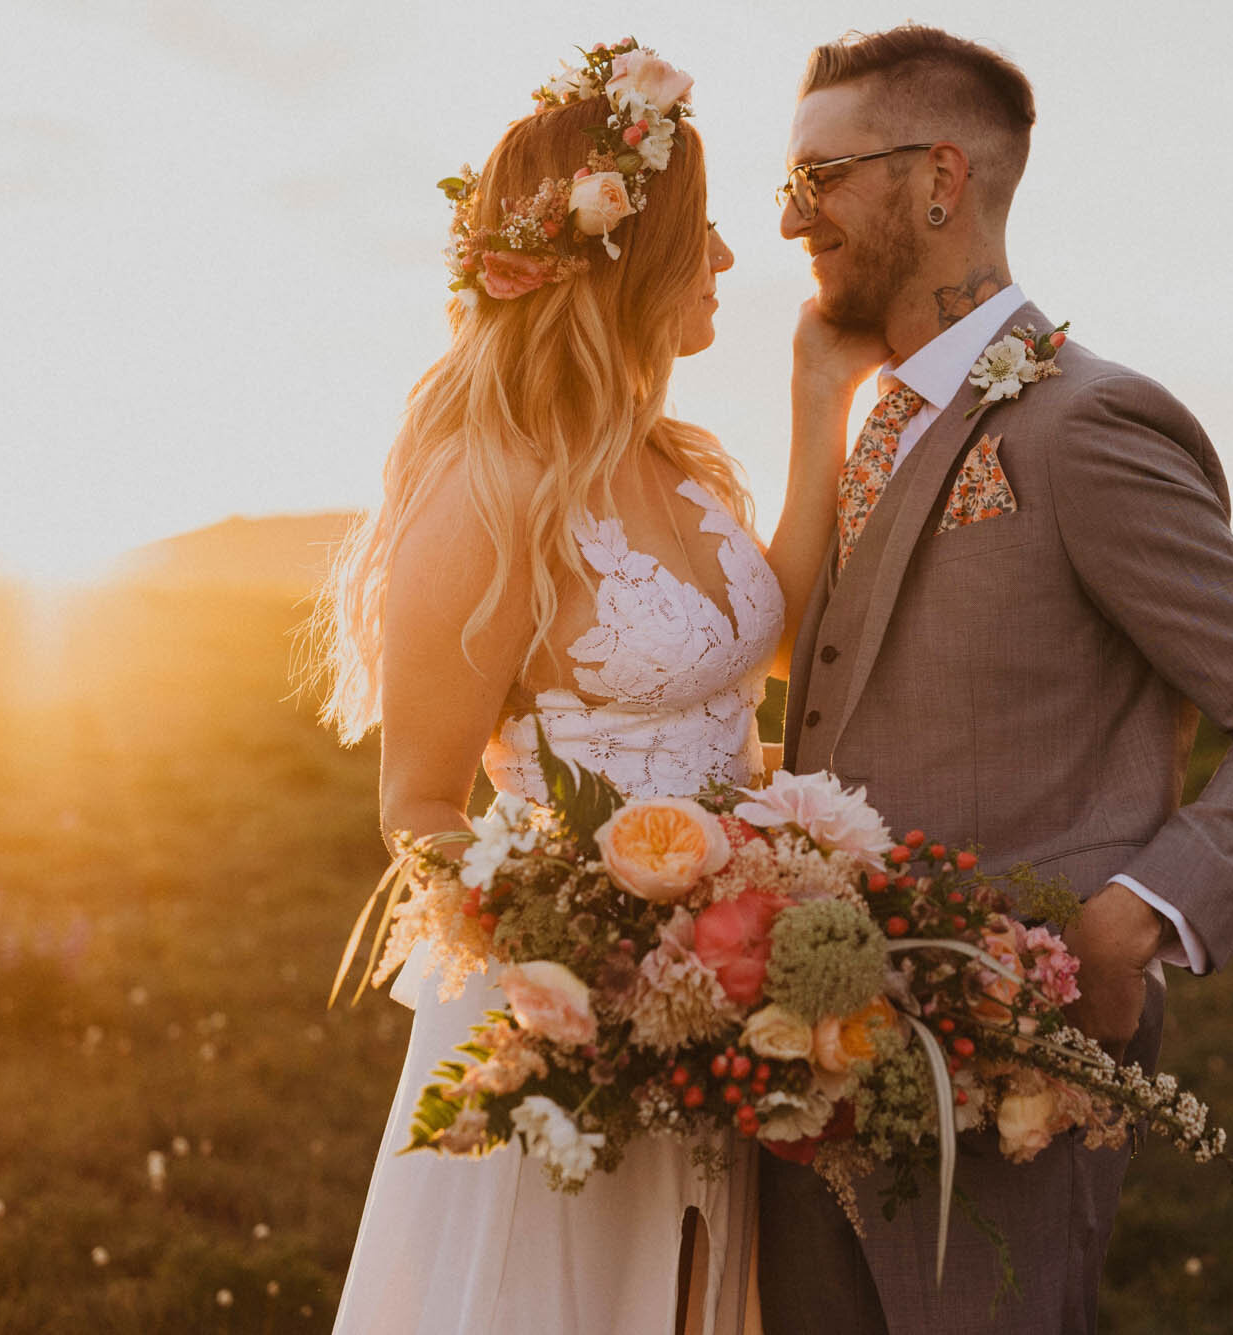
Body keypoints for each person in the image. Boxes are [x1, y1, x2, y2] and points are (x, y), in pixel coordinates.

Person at [762, 25, 1233, 1335]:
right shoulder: (876, 419)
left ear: (937, 180)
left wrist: (1131, 916)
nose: (788, 223)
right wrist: (817, 409)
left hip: (1005, 1067)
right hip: (806, 1054)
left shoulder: (1084, 424)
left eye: (819, 180)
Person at [314, 42, 878, 1334]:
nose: (733, 259)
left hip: (724, 1001)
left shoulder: (683, 463)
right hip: (568, 1030)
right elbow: (421, 806)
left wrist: (818, 404)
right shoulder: (487, 487)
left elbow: (783, 639)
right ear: (628, 255)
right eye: (707, 232)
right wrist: (600, 980)